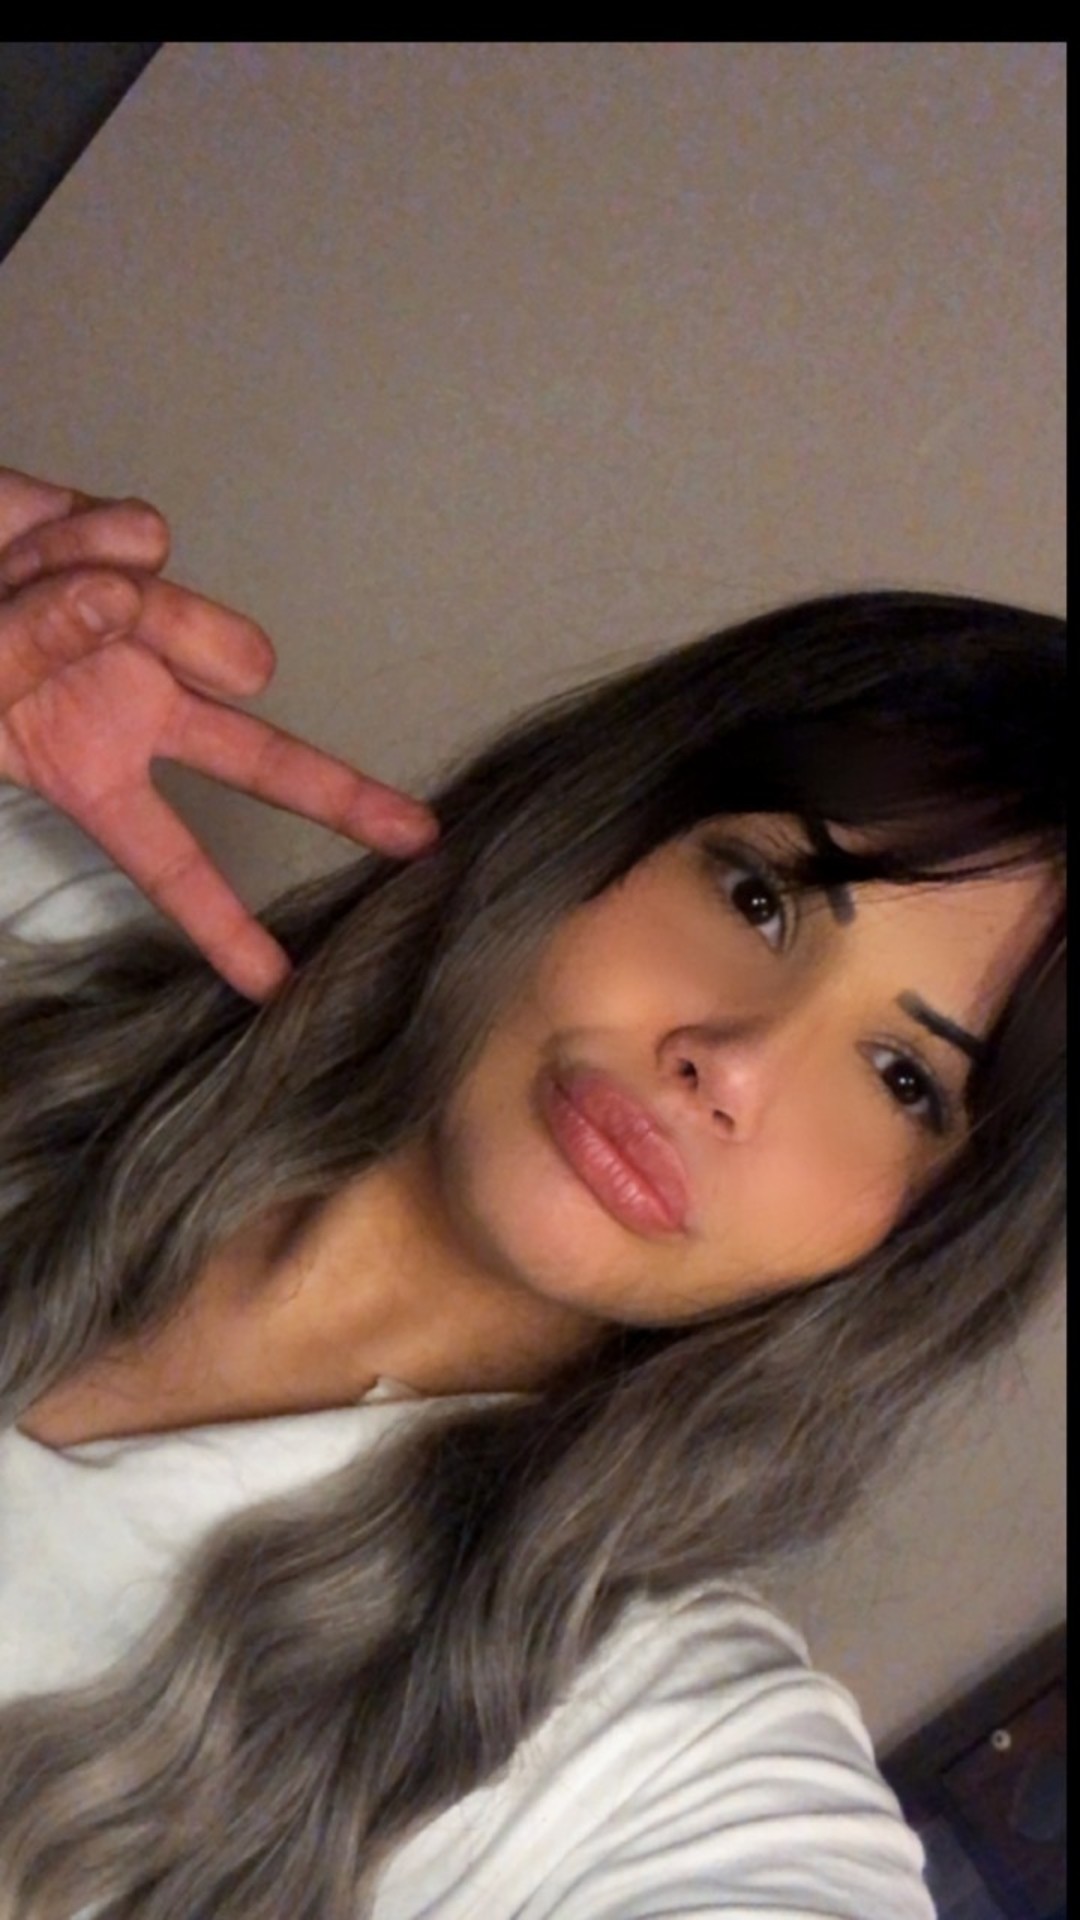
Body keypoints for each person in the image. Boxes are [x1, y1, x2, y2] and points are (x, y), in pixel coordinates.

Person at [0, 465, 1065, 1918]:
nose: (735, 1063)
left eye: (901, 1078)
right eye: (759, 899)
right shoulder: (32, 924)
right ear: (599, 829)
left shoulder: (647, 1757)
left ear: (923, 1232)